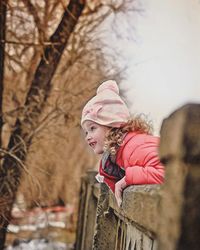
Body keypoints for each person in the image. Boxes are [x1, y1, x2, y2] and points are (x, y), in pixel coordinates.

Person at [81, 80, 164, 207]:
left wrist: (126, 179)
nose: (88, 137)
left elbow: (168, 173)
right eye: (86, 132)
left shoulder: (134, 148)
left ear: (111, 125)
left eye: (92, 128)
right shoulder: (118, 153)